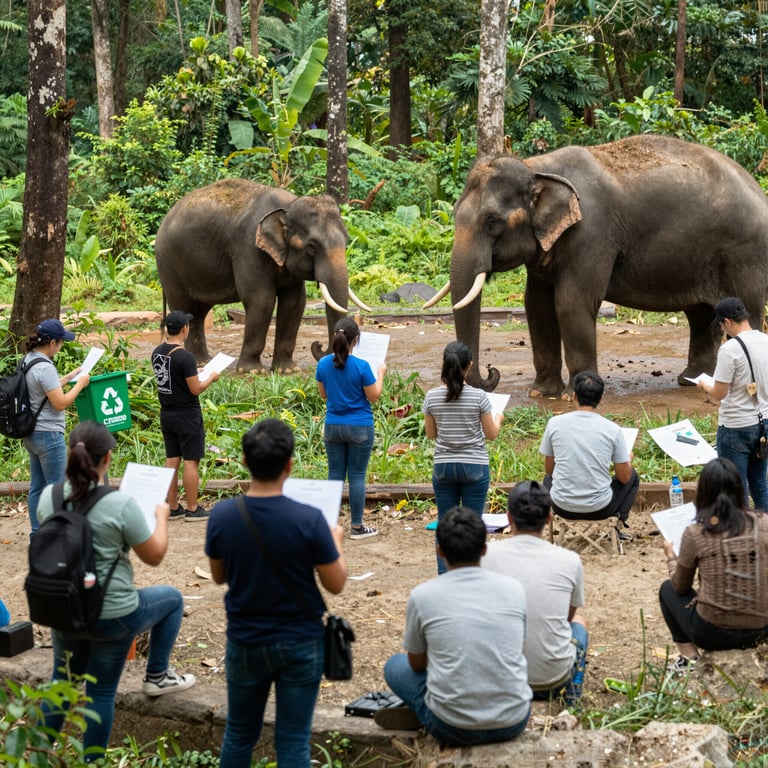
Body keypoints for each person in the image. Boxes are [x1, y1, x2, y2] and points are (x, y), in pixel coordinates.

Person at [38, 421, 195, 761]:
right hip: (114, 614)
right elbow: (154, 556)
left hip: (64, 610)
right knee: (171, 600)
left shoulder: (48, 500)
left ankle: (33, 753)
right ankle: (157, 676)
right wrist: (162, 517)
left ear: (70, 455)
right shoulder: (120, 505)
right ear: (107, 459)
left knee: (60, 685)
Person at [205, 418, 347, 768]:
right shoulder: (310, 519)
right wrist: (336, 543)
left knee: (238, 734)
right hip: (300, 642)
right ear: (289, 465)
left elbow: (218, 576)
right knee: (293, 742)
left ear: (244, 462)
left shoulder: (223, 515)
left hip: (245, 640)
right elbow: (336, 583)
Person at [378, 506, 531, 745]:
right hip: (513, 719)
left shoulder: (423, 595)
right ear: (484, 549)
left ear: (440, 551)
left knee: (394, 665)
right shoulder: (514, 589)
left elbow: (416, 663)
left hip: (451, 726)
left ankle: (425, 712)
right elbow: (516, 649)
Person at [483, 480, 588, 705]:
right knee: (579, 623)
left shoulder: (485, 554)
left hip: (500, 681)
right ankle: (571, 697)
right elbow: (567, 618)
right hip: (553, 680)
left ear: (509, 518)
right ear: (549, 518)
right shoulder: (569, 560)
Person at [659, 457, 768, 672]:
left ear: (703, 493)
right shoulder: (763, 524)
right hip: (761, 629)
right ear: (740, 489)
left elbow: (680, 586)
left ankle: (689, 659)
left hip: (712, 633)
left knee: (667, 590)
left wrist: (671, 557)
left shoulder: (696, 533)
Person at [422, 342, 504, 573]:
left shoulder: (432, 396)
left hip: (444, 466)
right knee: (474, 524)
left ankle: (444, 573)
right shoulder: (479, 397)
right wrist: (498, 419)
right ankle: (471, 572)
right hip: (475, 466)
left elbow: (431, 434)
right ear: (470, 366)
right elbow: (491, 434)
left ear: (444, 364)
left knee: (444, 523)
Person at [539, 370, 638, 538]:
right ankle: (617, 524)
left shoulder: (554, 424)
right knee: (633, 476)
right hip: (601, 509)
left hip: (562, 507)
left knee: (548, 479)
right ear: (600, 399)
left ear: (574, 396)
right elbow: (624, 478)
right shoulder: (613, 430)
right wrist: (626, 460)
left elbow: (549, 470)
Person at [315, 318, 385, 539]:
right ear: (356, 340)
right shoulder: (362, 366)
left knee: (334, 474)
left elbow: (324, 394)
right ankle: (357, 527)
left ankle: (329, 524)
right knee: (357, 476)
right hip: (360, 427)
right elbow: (374, 397)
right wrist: (381, 373)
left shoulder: (323, 364)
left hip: (333, 425)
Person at [697, 297, 768, 511]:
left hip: (736, 427)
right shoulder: (765, 340)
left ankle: (740, 533)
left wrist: (705, 385)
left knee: (735, 488)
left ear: (727, 322)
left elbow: (720, 393)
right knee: (760, 483)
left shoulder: (729, 350)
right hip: (764, 423)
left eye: (721, 324)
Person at [23, 318, 91, 535]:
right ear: (52, 343)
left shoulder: (29, 360)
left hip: (32, 433)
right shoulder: (45, 367)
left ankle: (38, 533)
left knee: (37, 487)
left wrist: (70, 376)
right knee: (58, 486)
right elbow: (60, 403)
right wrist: (80, 384)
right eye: (61, 342)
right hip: (48, 435)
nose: (62, 346)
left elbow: (43, 389)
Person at [151, 311, 220, 521]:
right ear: (185, 329)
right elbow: (196, 389)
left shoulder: (157, 352)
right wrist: (211, 378)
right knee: (191, 461)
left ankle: (172, 507)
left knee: (172, 459)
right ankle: (192, 508)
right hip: (187, 415)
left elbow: (174, 375)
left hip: (167, 414)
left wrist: (195, 371)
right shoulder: (185, 355)